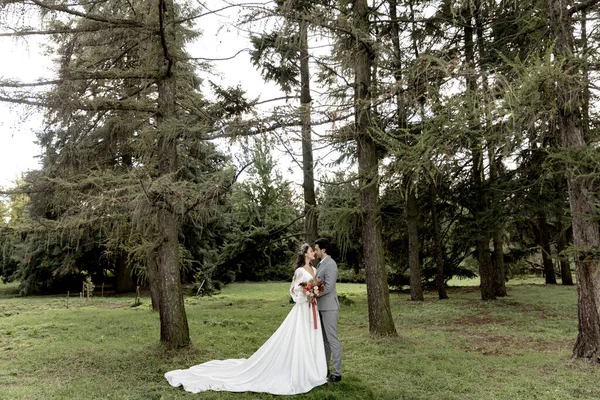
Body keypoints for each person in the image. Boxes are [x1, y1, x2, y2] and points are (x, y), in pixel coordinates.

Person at [164, 243, 327, 395]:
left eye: (314, 250)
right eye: (312, 250)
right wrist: (306, 295)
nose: (314, 252)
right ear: (306, 254)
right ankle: (300, 370)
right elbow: (294, 290)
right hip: (303, 308)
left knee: (311, 336)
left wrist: (315, 292)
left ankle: (312, 369)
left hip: (312, 308)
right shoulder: (300, 271)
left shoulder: (313, 268)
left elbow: (315, 285)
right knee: (301, 338)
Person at [314, 237, 342, 382]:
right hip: (321, 306)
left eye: (317, 249)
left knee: (332, 339)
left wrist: (314, 292)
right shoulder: (320, 264)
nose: (315, 251)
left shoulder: (330, 264)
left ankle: (337, 373)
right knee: (324, 340)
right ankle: (325, 367)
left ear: (323, 250)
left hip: (330, 307)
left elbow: (329, 286)